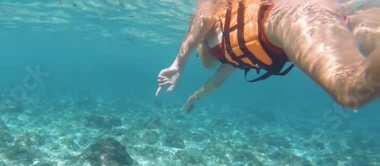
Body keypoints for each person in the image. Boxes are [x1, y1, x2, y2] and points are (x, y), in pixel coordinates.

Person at [156, 0, 380, 112]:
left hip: (285, 18)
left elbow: (201, 20)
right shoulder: (233, 58)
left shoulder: (210, 22)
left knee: (350, 90)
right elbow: (215, 83)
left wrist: (178, 64)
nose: (202, 58)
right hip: (328, 12)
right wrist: (193, 99)